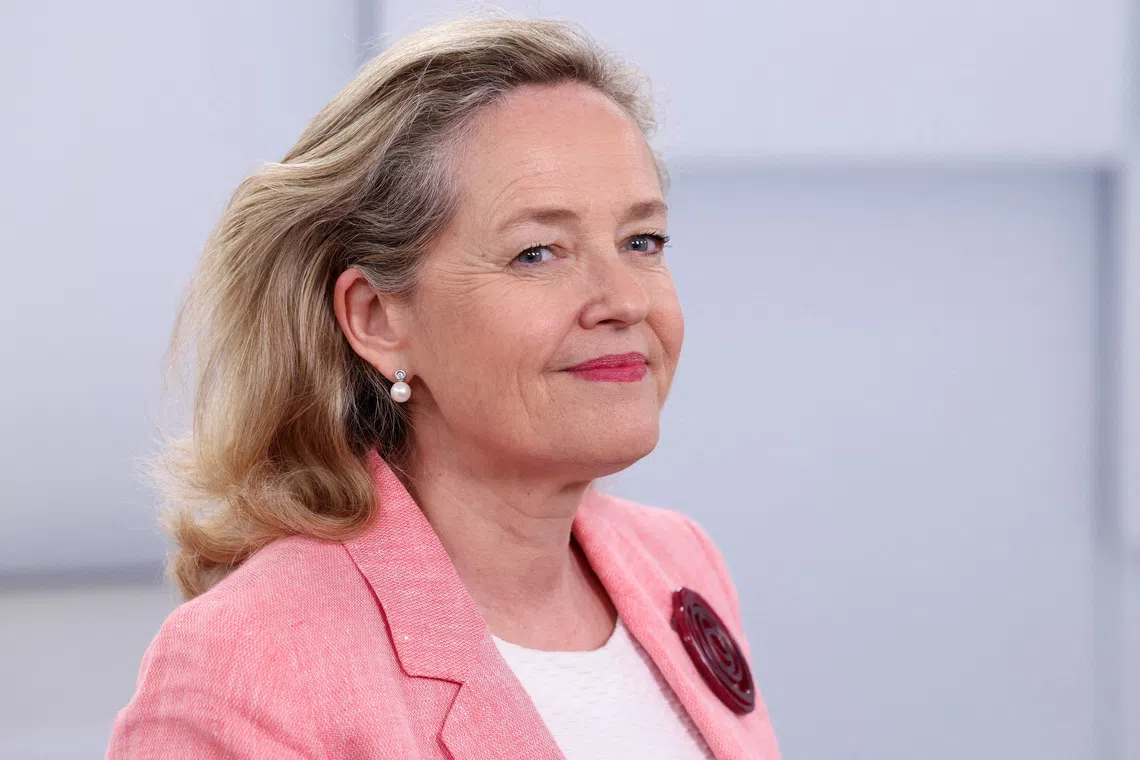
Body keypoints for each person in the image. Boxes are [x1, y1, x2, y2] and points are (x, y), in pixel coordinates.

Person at [106, 15, 780, 760]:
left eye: (641, 242)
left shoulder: (679, 561)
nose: (625, 299)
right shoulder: (246, 664)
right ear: (378, 317)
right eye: (537, 253)